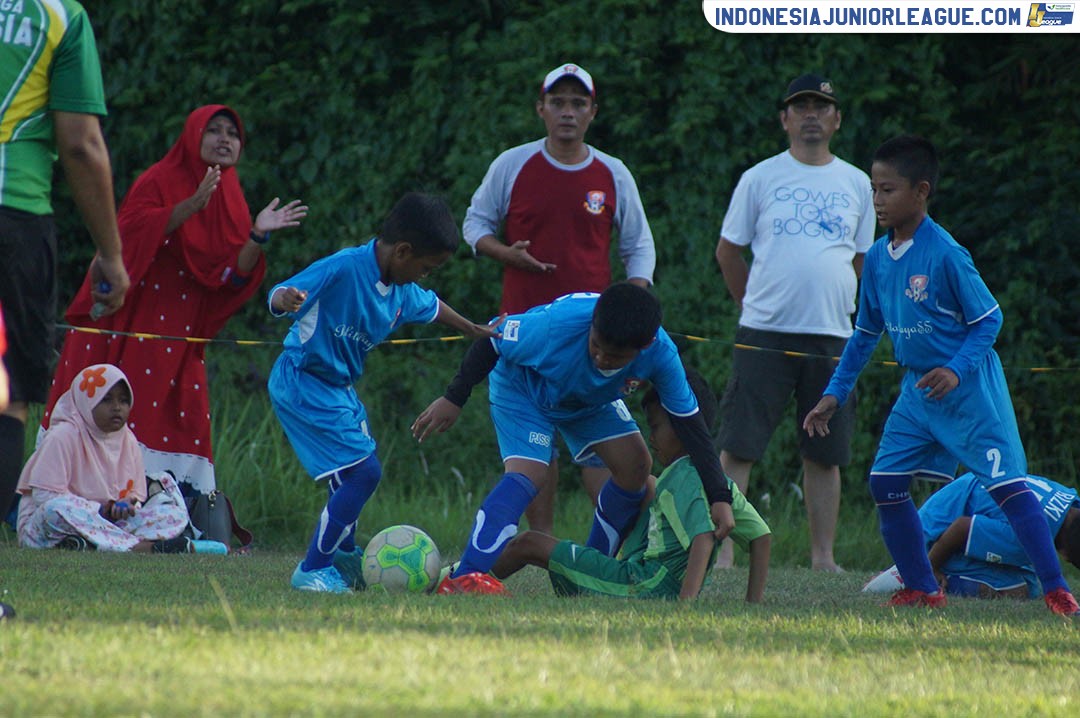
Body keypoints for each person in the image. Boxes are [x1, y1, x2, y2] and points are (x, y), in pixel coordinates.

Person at [803, 135, 1080, 615]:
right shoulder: (877, 260)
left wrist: (954, 370)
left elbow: (988, 321)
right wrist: (835, 393)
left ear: (921, 191)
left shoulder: (947, 254)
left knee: (1007, 488)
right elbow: (865, 334)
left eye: (888, 190)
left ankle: (1057, 592)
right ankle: (923, 587)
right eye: (873, 190)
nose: (877, 201)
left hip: (970, 391)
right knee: (884, 484)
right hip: (918, 393)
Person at [40, 104, 307, 496]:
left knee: (178, 422)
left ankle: (164, 512)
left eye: (232, 134)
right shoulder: (159, 179)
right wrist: (190, 206)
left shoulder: (231, 196)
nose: (224, 139)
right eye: (214, 130)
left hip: (180, 335)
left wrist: (257, 236)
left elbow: (229, 276)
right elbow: (126, 237)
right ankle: (75, 503)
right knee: (105, 410)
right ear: (193, 134)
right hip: (130, 320)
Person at [412, 283, 736, 595]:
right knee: (530, 474)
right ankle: (464, 579)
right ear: (592, 323)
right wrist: (454, 398)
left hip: (587, 400)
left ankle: (586, 577)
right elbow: (492, 340)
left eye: (615, 357)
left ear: (646, 345)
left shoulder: (662, 353)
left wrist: (719, 496)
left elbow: (691, 425)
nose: (601, 359)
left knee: (636, 464)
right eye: (596, 346)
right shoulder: (556, 326)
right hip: (524, 387)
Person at [268, 192, 502, 593]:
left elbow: (433, 306)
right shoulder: (344, 267)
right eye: (426, 268)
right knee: (364, 472)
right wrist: (285, 298)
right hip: (303, 380)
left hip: (339, 390)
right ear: (403, 251)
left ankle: (342, 556)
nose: (424, 276)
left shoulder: (401, 290)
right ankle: (312, 569)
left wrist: (472, 329)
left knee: (350, 473)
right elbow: (279, 292)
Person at [463, 62, 656, 535]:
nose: (568, 112)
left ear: (593, 111)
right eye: (558, 102)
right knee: (536, 450)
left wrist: (630, 317)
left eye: (578, 103)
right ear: (541, 109)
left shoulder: (612, 172)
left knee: (604, 452)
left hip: (594, 340)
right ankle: (541, 546)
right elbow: (474, 225)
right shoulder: (513, 164)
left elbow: (639, 247)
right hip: (527, 335)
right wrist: (506, 253)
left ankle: (612, 548)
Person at [713, 73, 875, 572]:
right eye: (801, 107)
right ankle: (722, 553)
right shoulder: (760, 177)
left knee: (825, 451)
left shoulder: (857, 183)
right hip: (764, 332)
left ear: (837, 119)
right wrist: (752, 305)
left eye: (821, 107)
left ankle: (823, 557)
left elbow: (863, 260)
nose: (811, 115)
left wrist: (838, 302)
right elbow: (728, 252)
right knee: (738, 444)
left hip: (833, 335)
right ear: (784, 119)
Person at [0, 0, 131, 525]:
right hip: (14, 214)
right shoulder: (57, 15)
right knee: (7, 394)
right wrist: (111, 254)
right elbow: (80, 144)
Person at [491, 367, 771, 602]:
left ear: (684, 426)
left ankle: (472, 579)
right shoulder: (720, 484)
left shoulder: (682, 477)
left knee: (529, 543)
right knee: (646, 485)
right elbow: (761, 537)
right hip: (646, 574)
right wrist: (753, 604)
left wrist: (685, 606)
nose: (651, 437)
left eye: (656, 427)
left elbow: (704, 536)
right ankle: (597, 564)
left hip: (642, 585)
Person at [16, 363, 224, 554]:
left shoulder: (127, 439)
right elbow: (44, 496)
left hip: (110, 524)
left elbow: (135, 496)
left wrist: (126, 506)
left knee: (172, 514)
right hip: (50, 526)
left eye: (123, 400)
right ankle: (140, 547)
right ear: (86, 402)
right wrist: (99, 509)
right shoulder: (63, 435)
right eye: (106, 399)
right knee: (56, 509)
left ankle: (87, 545)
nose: (117, 407)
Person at [863, 473, 1080, 600]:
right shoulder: (1024, 535)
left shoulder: (1069, 500)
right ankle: (913, 573)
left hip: (959, 498)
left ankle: (917, 566)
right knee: (1019, 591)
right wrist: (930, 570)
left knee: (1032, 582)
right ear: (1065, 555)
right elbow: (961, 528)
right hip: (935, 532)